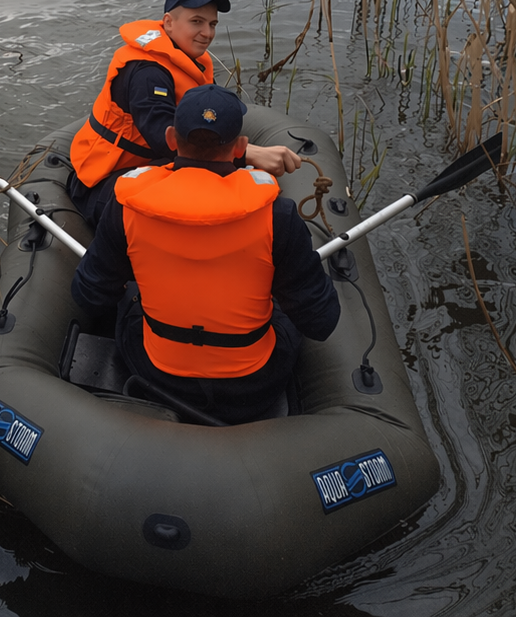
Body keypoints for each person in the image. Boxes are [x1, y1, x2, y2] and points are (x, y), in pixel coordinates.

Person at [70, 84, 340, 425]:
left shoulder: (126, 205)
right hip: (252, 386)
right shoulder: (278, 217)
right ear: (241, 147)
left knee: (129, 300)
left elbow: (89, 295)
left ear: (171, 139)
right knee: (283, 312)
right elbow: (321, 321)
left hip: (156, 373)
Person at [68, 0, 300, 227]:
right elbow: (163, 135)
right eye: (196, 22)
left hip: (152, 166)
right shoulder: (147, 73)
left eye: (212, 25)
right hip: (106, 180)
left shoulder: (186, 57)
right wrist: (244, 154)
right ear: (168, 22)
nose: (207, 33)